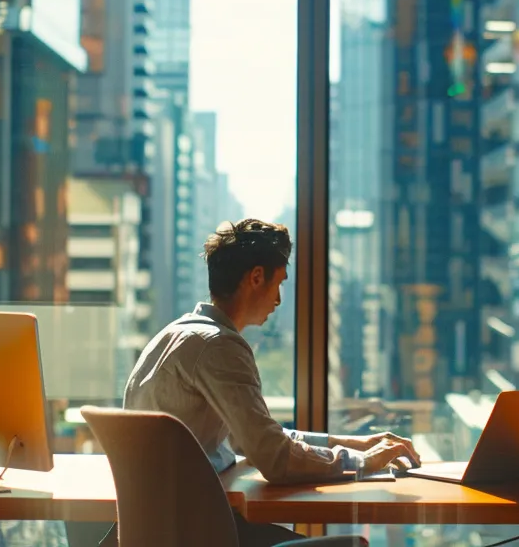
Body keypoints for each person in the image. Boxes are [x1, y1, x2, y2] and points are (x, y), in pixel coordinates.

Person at [110, 218, 418, 546]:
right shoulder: (218, 346)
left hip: (170, 530)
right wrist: (361, 463)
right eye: (279, 282)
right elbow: (273, 457)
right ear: (257, 277)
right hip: (203, 534)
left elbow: (258, 436)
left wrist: (356, 443)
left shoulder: (174, 336)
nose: (280, 299)